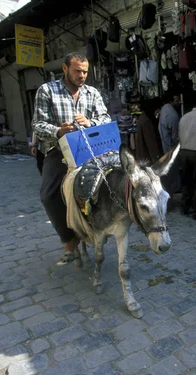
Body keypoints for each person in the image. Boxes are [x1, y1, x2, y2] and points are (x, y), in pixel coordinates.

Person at [31, 52, 111, 265]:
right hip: (60, 151)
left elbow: (105, 118)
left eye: (85, 71)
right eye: (77, 71)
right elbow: (37, 124)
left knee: (114, 184)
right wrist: (58, 131)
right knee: (48, 195)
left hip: (90, 149)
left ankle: (107, 227)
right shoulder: (47, 90)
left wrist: (89, 122)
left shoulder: (92, 93)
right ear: (65, 69)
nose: (82, 75)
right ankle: (69, 240)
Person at [158, 93, 182, 196]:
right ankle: (175, 187)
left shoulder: (165, 108)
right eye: (177, 100)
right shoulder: (174, 116)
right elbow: (175, 135)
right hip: (170, 145)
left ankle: (172, 186)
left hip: (165, 141)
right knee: (173, 166)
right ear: (171, 101)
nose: (179, 102)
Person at [129, 99, 163, 164]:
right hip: (147, 160)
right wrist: (157, 160)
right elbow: (151, 143)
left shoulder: (143, 117)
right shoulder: (146, 121)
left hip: (143, 158)